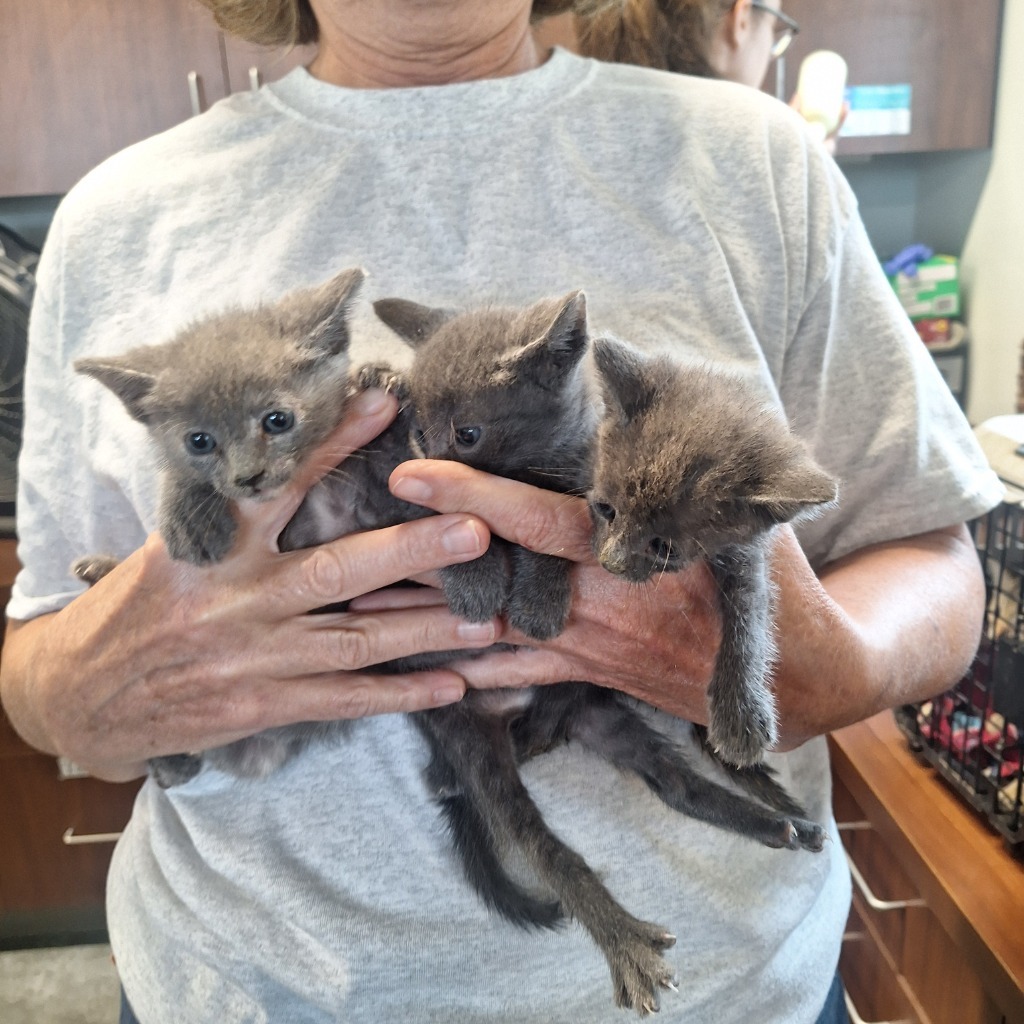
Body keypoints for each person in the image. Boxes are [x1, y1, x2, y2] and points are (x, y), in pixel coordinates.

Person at [0, 0, 1001, 1021]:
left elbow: (930, 552)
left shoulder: (757, 162)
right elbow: (43, 668)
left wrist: (827, 666)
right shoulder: (116, 216)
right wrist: (92, 688)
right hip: (250, 992)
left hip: (729, 994)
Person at [558, 0, 845, 150]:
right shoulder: (778, 156)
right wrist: (804, 163)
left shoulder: (561, 139)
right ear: (741, 19)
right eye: (773, 27)